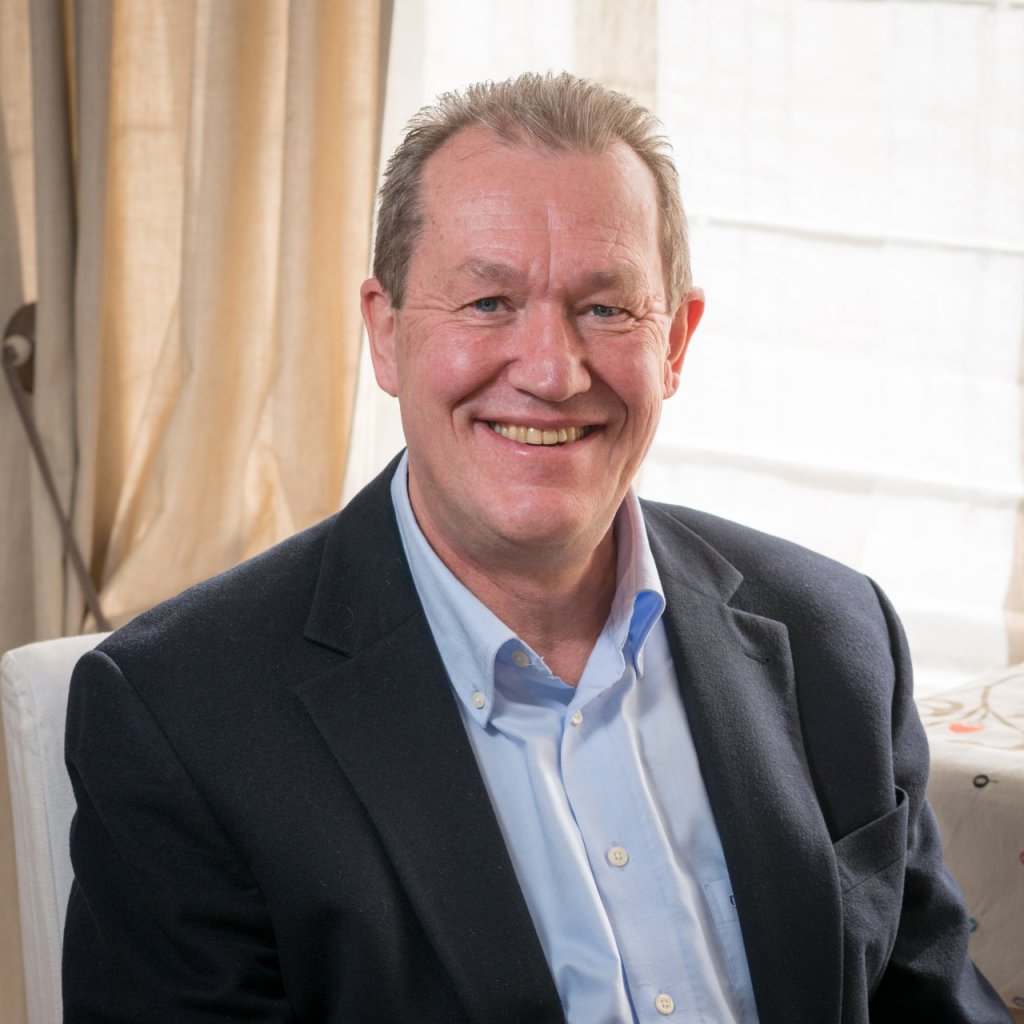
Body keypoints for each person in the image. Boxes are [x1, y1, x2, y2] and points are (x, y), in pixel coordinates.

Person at [63, 72, 1011, 1024]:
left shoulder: (836, 634)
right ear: (386, 334)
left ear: (676, 342)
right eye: (488, 302)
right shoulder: (181, 716)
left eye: (606, 308)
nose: (554, 373)